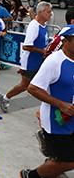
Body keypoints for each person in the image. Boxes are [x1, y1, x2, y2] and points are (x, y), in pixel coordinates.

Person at [21, 25, 74, 178]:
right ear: (66, 41)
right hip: (56, 120)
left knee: (63, 157)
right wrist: (61, 104)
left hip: (71, 120)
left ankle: (52, 161)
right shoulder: (54, 62)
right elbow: (33, 88)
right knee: (68, 161)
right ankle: (29, 175)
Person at [0, 2, 52, 113]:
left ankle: (47, 109)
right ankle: (6, 97)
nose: (51, 14)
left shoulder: (44, 25)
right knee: (24, 86)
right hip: (30, 62)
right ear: (41, 12)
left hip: (40, 61)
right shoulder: (34, 26)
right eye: (48, 12)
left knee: (45, 85)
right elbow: (27, 46)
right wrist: (42, 51)